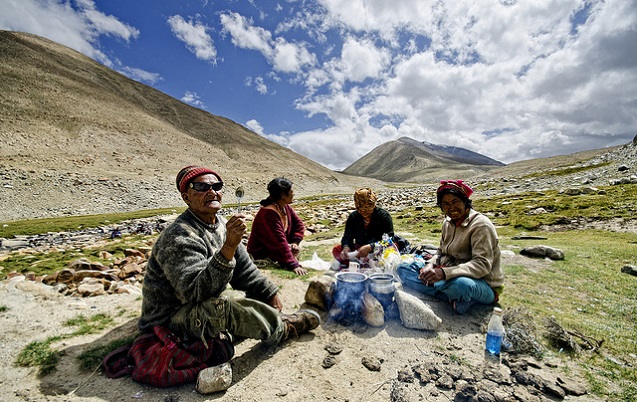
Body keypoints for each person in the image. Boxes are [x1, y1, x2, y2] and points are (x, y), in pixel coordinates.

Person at [138, 165, 320, 348]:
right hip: (171, 318)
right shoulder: (178, 237)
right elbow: (194, 293)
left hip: (197, 306)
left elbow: (244, 269)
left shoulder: (222, 225)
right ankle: (282, 328)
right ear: (186, 197)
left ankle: (242, 327)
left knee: (240, 298)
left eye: (217, 187)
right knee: (224, 305)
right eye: (201, 187)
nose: (212, 192)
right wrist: (229, 246)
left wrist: (268, 292)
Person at [397, 180, 504, 315]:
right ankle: (452, 298)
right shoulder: (447, 223)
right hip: (447, 273)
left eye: (455, 202)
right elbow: (441, 251)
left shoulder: (481, 225)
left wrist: (444, 274)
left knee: (461, 285)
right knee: (403, 269)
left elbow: (482, 265)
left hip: (480, 282)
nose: (451, 208)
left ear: (465, 201)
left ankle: (450, 293)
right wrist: (430, 265)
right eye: (445, 204)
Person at [247, 178, 307, 276]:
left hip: (275, 248)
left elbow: (298, 224)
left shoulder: (284, 206)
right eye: (291, 191)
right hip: (262, 253)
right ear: (283, 195)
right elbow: (278, 242)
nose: (294, 194)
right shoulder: (268, 213)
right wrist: (293, 265)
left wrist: (295, 242)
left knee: (295, 250)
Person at [332, 188, 394, 269]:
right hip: (359, 250)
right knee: (337, 250)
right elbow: (347, 236)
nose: (364, 212)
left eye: (367, 209)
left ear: (373, 205)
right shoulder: (353, 217)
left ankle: (360, 263)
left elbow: (390, 240)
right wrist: (346, 247)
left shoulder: (384, 217)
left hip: (377, 250)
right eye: (360, 210)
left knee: (389, 255)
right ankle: (362, 262)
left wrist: (371, 247)